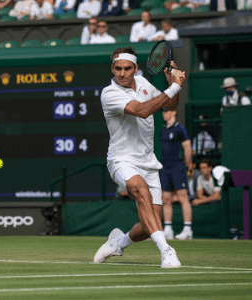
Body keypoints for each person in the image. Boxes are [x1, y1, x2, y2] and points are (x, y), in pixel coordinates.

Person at [94, 46, 185, 268]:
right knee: (140, 189)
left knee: (148, 225)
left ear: (136, 68)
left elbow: (170, 105)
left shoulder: (144, 84)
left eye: (127, 68)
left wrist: (169, 83)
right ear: (112, 68)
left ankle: (118, 243)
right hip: (121, 160)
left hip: (148, 161)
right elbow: (143, 110)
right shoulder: (109, 93)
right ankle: (167, 250)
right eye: (117, 69)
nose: (122, 73)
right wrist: (174, 86)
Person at [159, 108, 193, 240]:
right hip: (165, 167)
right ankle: (168, 229)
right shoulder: (162, 130)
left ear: (174, 112)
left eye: (167, 111)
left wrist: (188, 167)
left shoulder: (180, 129)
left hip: (178, 166)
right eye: (163, 111)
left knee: (182, 196)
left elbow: (188, 149)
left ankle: (188, 229)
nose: (164, 113)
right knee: (165, 198)